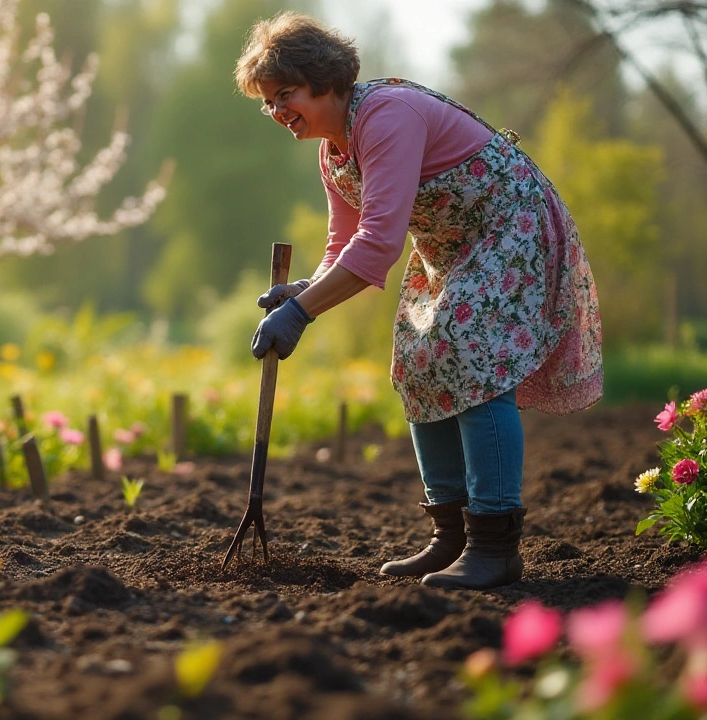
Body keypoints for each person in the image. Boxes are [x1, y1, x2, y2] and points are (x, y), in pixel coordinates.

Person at [235, 12, 603, 590]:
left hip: (511, 225)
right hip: (451, 246)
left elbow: (379, 245)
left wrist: (300, 315)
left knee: (469, 354)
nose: (279, 112)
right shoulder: (335, 149)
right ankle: (450, 535)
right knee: (418, 358)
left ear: (325, 80)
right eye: (269, 103)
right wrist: (305, 289)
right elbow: (345, 242)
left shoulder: (386, 116)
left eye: (286, 96)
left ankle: (494, 544)